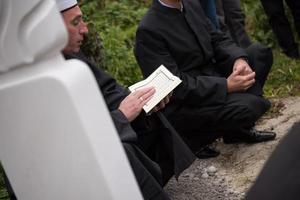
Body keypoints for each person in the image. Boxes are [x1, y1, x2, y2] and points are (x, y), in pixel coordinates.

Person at [55, 0, 195, 199]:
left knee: (148, 114)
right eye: (75, 22)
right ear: (51, 30)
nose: (85, 30)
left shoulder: (71, 57)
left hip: (102, 129)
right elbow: (66, 143)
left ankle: (155, 183)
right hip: (72, 164)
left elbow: (107, 90)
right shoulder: (36, 85)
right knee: (121, 151)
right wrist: (120, 117)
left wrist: (138, 99)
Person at [134, 0, 276, 153]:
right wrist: (226, 86)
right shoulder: (148, 30)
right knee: (250, 106)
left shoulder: (191, 5)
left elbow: (218, 39)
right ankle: (194, 139)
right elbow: (175, 86)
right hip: (189, 102)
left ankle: (236, 130)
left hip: (213, 75)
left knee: (260, 54)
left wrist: (238, 60)